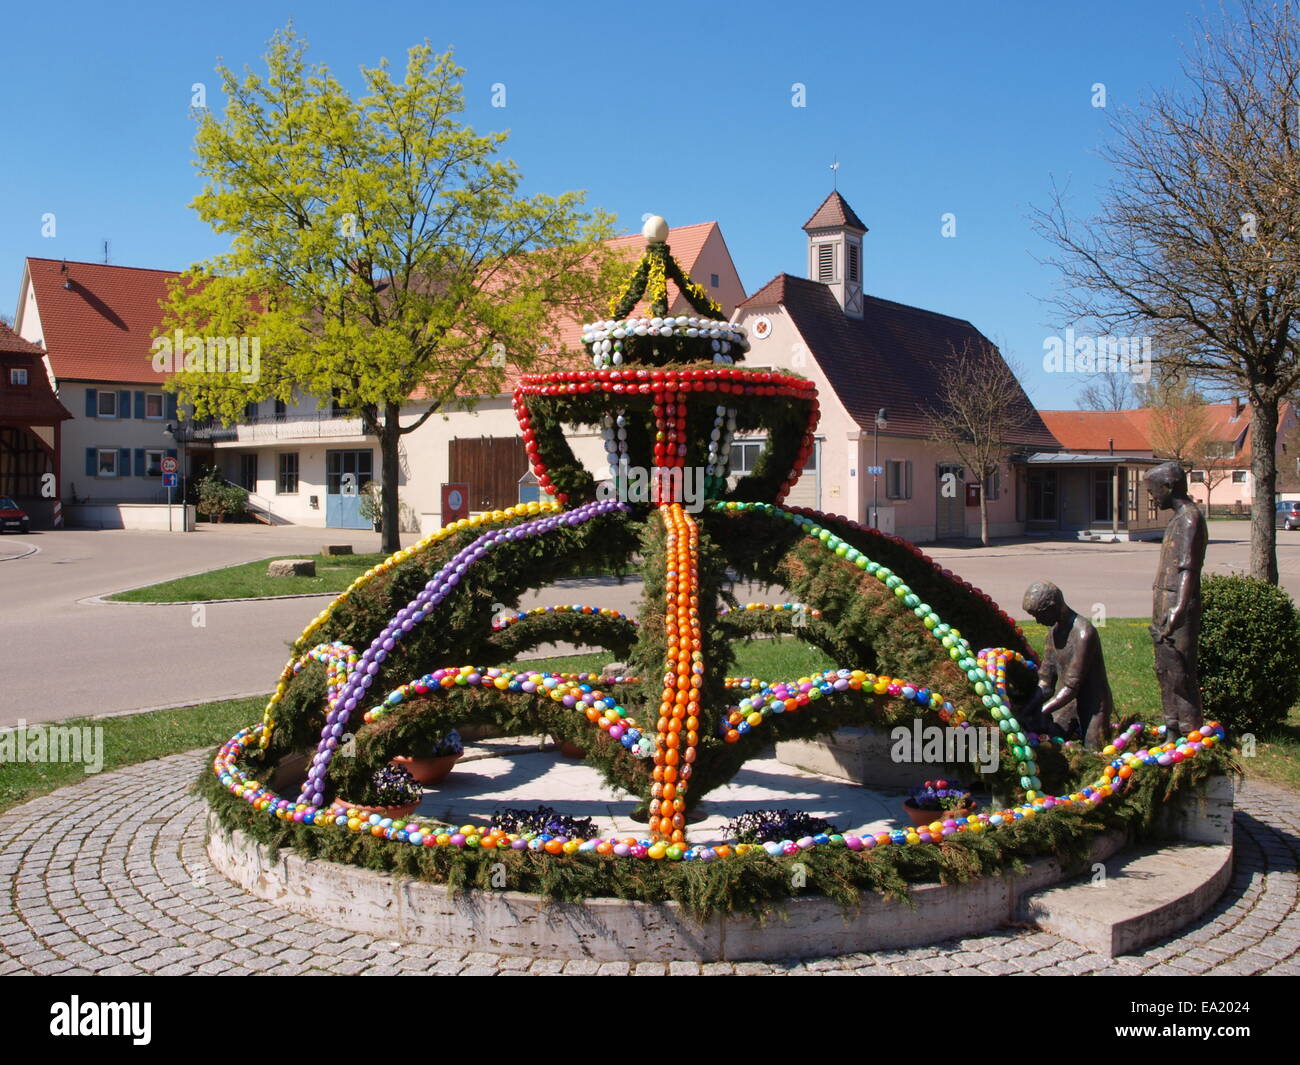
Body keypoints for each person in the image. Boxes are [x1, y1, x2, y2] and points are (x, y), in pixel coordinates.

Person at [1146, 461, 1207, 736]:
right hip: (1164, 602)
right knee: (1163, 669)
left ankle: (1189, 732)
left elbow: (1188, 569)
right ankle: (1171, 726)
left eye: (1154, 490)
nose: (1152, 496)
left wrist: (1179, 608)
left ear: (1169, 487)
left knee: (1180, 673)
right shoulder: (1177, 518)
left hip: (1177, 606)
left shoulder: (1191, 519)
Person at [1020, 580, 1113, 749]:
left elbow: (1072, 686)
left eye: (1039, 615)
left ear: (1053, 606)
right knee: (1049, 743)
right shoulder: (1053, 634)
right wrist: (1026, 710)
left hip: (1093, 707)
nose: (1037, 621)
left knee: (1093, 751)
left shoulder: (1084, 633)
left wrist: (1042, 711)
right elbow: (1045, 681)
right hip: (1065, 704)